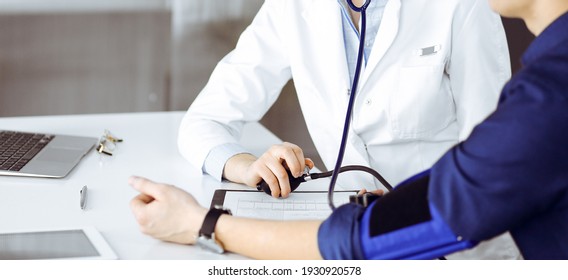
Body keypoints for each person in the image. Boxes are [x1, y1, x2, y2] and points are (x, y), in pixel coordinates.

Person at [129, 0, 568, 259]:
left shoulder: (541, 89)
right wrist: (245, 165)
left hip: (450, 244)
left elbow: (490, 170)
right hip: (360, 228)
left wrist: (203, 224)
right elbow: (203, 120)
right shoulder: (294, 8)